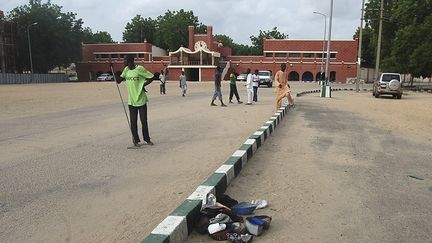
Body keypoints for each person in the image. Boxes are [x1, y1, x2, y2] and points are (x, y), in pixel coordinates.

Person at [118, 54, 160, 147]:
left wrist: (143, 85)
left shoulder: (139, 69)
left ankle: (147, 139)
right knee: (133, 122)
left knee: (143, 121)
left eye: (124, 60)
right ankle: (136, 141)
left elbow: (151, 77)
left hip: (141, 100)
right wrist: (114, 72)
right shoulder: (126, 70)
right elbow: (119, 80)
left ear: (130, 60)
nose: (123, 62)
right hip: (131, 101)